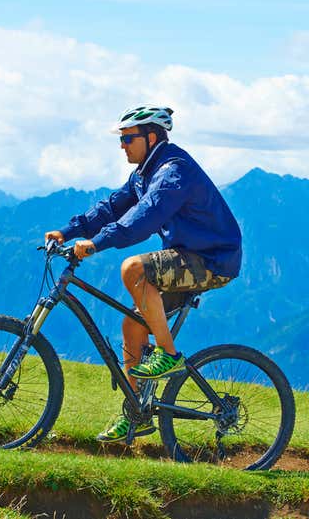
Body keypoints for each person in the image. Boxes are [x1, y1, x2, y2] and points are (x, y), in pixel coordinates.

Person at [44, 105, 242, 443]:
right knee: (132, 325)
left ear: (151, 137)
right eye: (120, 139)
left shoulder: (172, 171)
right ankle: (135, 411)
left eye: (127, 138)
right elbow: (111, 208)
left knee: (134, 268)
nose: (122, 145)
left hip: (211, 260)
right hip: (188, 256)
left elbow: (144, 217)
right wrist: (68, 231)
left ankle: (168, 354)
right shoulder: (144, 173)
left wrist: (96, 243)